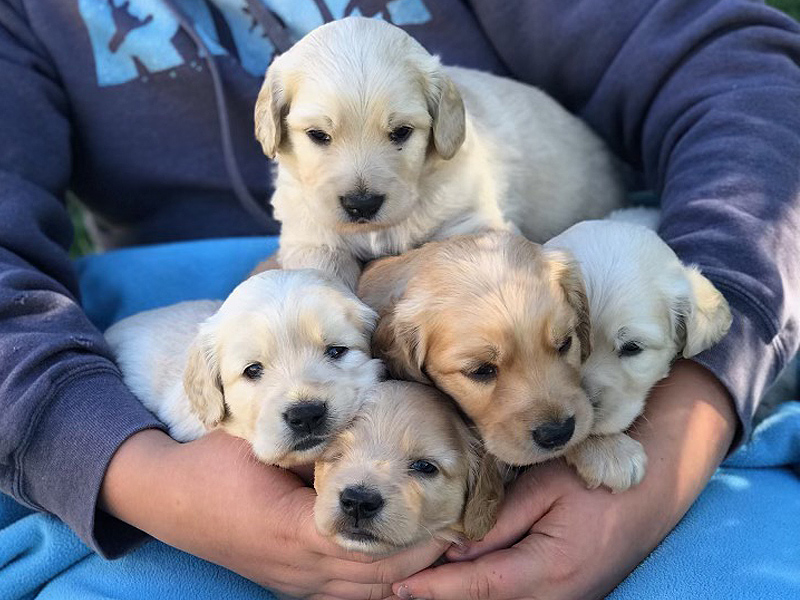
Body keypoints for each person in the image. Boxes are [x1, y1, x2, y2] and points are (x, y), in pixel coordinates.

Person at [1, 0, 798, 598]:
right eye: (317, 136)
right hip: (175, 401)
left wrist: (687, 421)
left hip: (600, 382)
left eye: (397, 134)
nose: (359, 187)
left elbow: (746, 85)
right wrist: (144, 481)